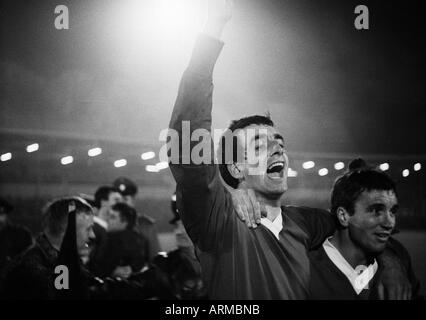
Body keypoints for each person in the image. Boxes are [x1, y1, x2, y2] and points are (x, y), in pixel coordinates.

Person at [168, 0, 411, 299]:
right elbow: (187, 142)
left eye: (280, 144)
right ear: (235, 167)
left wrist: (391, 263)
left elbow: (367, 227)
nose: (277, 151)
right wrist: (213, 28)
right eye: (260, 145)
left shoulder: (306, 223)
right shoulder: (218, 219)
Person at [308, 159, 422, 299]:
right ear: (343, 216)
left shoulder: (399, 257)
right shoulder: (306, 269)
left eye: (392, 211)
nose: (389, 223)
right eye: (376, 211)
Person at [1, 197, 95, 299]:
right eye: (88, 229)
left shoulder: (63, 261)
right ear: (67, 232)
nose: (92, 235)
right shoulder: (31, 271)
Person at [90, 203, 148, 279]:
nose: (107, 219)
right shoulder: (140, 239)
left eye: (112, 217)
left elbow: (98, 269)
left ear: (125, 222)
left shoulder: (114, 241)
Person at [113, 177, 161, 260]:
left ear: (133, 201)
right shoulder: (107, 224)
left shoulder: (146, 225)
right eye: (117, 200)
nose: (121, 203)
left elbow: (155, 259)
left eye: (125, 199)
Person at [88, 185, 122, 275]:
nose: (121, 204)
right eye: (116, 200)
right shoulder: (94, 230)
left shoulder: (107, 229)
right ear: (103, 202)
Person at [0, 198, 33, 291]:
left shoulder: (21, 234)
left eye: (1, 214)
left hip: (14, 287)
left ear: (6, 215)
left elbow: (30, 263)